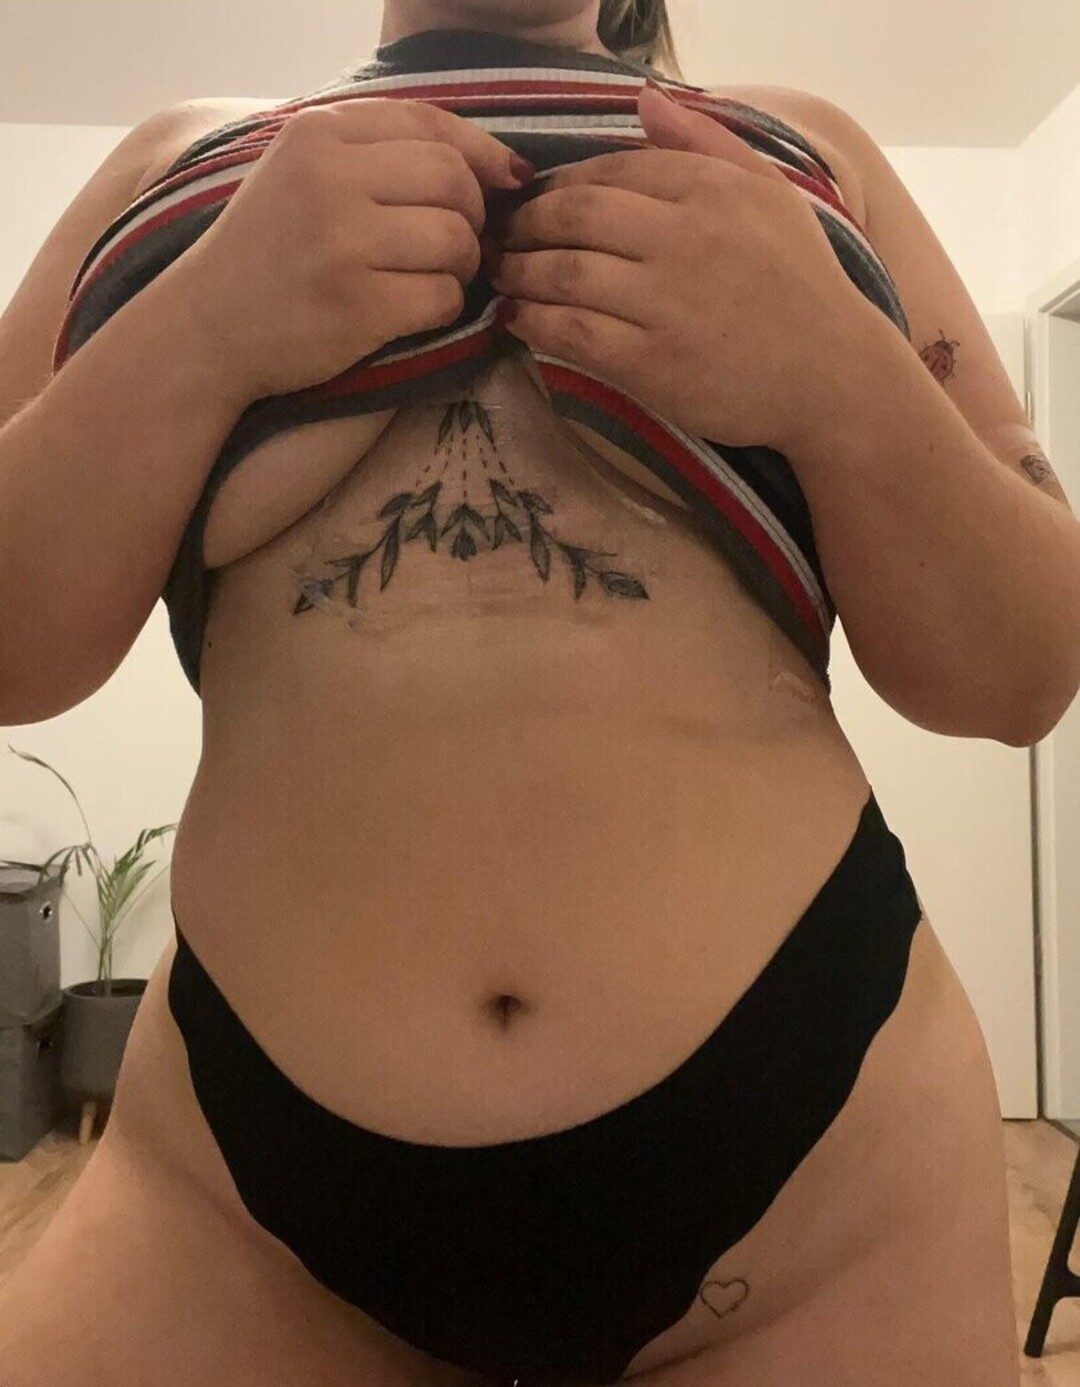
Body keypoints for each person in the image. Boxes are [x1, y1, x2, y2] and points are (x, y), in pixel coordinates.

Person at [4, 0, 1063, 1382]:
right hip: (235, 1207)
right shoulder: (169, 166)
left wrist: (842, 377)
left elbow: (1025, 672)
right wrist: (202, 328)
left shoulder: (814, 153)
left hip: (824, 1187)